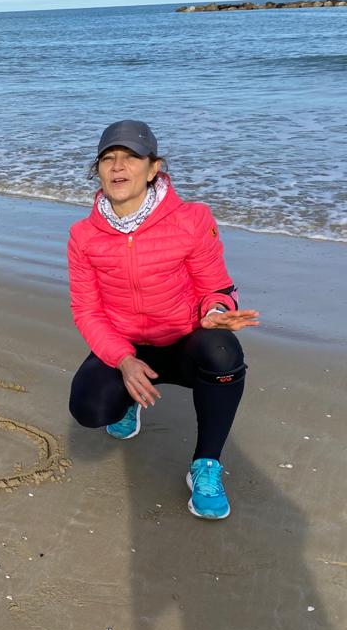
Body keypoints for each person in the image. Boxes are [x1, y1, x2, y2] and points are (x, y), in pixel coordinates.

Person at [67, 120, 259, 520]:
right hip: (129, 348)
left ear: (154, 168)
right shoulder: (83, 236)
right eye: (108, 158)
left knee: (223, 352)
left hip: (185, 342)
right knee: (89, 409)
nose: (118, 166)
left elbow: (217, 287)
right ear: (98, 171)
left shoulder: (191, 219)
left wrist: (216, 312)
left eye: (130, 157)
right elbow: (87, 310)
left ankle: (206, 465)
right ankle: (127, 403)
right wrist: (122, 359)